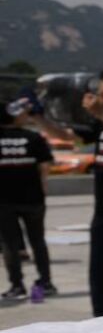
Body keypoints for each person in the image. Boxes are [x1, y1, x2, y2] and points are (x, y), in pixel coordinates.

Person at [29, 67, 103, 315]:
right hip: (102, 212)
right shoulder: (100, 123)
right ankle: (100, 319)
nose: (97, 92)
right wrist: (38, 117)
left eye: (102, 87)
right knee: (99, 274)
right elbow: (67, 136)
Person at [0, 105, 55, 300]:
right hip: (33, 199)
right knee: (38, 241)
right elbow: (45, 165)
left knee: (9, 244)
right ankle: (46, 282)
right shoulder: (33, 137)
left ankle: (16, 285)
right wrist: (43, 187)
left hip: (4, 201)